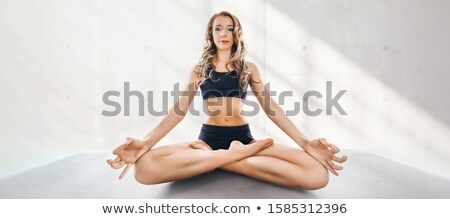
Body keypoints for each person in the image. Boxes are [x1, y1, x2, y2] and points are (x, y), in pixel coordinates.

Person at [107, 11, 347, 190]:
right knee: (144, 169)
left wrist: (305, 143)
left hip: (242, 138)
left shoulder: (248, 68)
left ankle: (218, 159)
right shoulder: (199, 70)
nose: (224, 33)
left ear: (236, 33)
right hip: (208, 139)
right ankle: (236, 156)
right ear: (210, 34)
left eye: (230, 28)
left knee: (317, 175)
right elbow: (178, 111)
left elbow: (271, 108)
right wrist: (146, 143)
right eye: (218, 28)